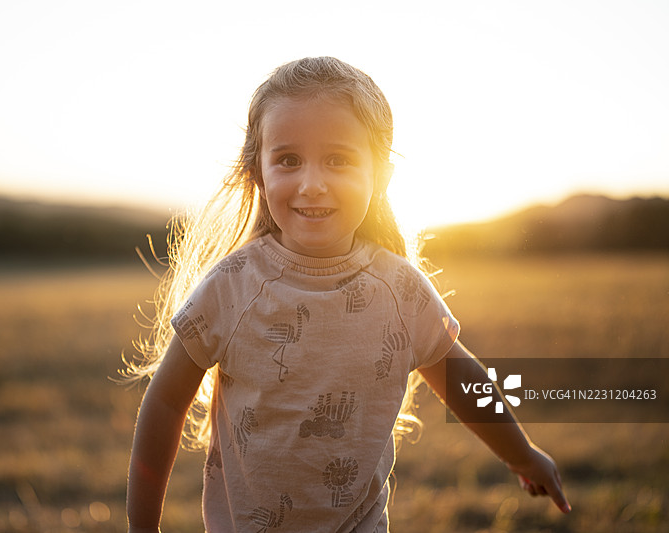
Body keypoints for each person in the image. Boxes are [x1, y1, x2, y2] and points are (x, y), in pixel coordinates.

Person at [123, 56, 570, 533]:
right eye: (288, 160)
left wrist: (522, 454)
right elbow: (166, 402)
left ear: (380, 175)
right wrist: (143, 526)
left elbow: (462, 379)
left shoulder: (400, 290)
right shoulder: (231, 287)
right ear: (258, 173)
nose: (312, 184)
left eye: (338, 159)